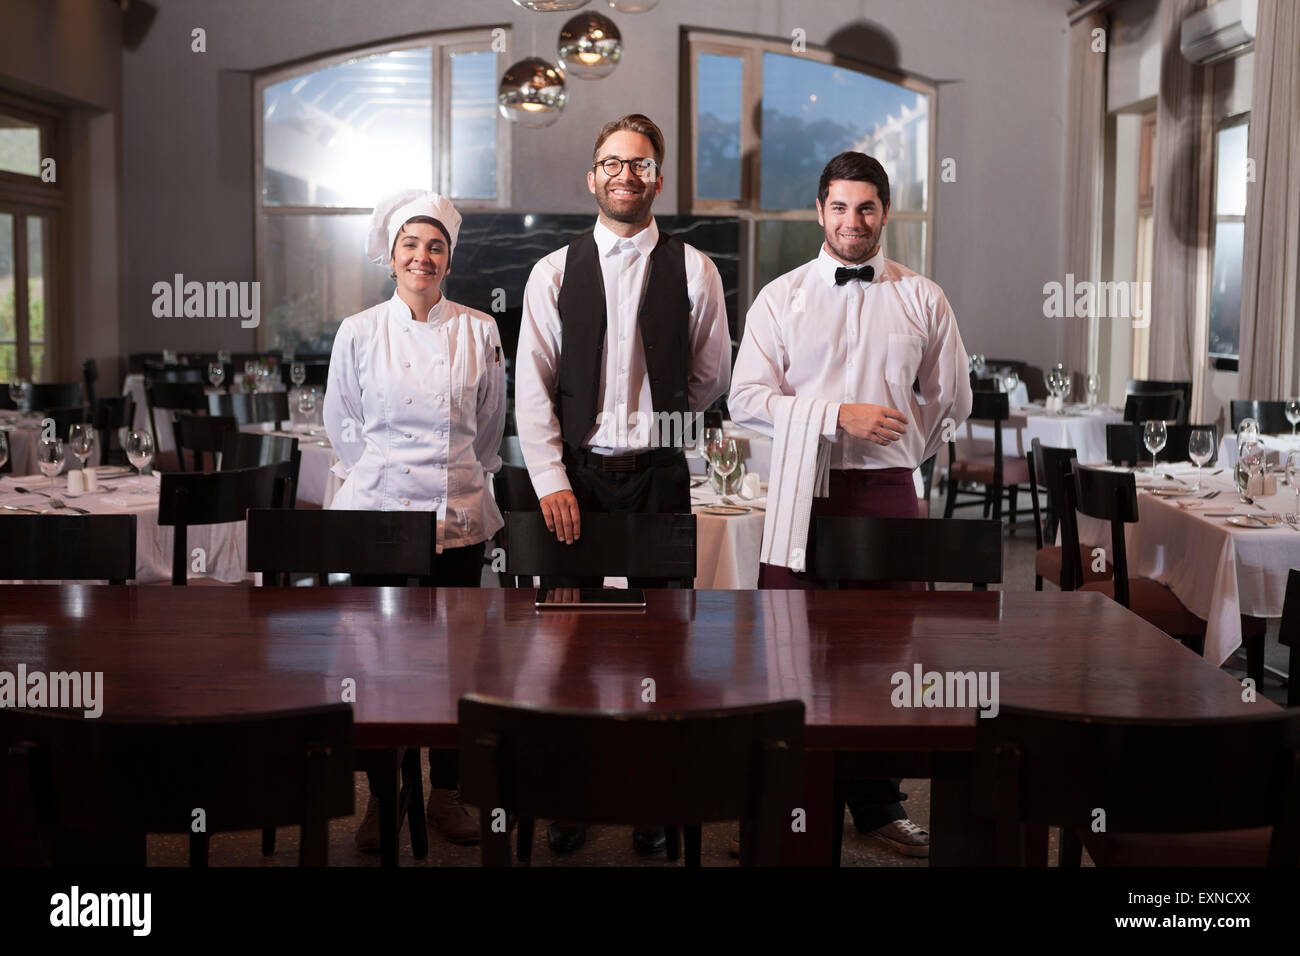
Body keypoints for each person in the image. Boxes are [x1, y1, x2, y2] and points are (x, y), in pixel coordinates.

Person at [728, 151, 972, 858]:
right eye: (839, 207)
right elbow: (745, 399)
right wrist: (840, 416)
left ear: (884, 213)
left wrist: (900, 449)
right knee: (790, 646)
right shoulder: (781, 297)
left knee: (887, 653)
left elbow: (951, 399)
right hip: (801, 493)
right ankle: (788, 805)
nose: (852, 221)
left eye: (866, 208)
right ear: (819, 211)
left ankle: (877, 805)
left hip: (889, 491)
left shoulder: (924, 298)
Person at [514, 114, 731, 856]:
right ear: (592, 177)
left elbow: (711, 377)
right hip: (574, 478)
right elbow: (532, 388)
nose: (625, 176)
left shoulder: (696, 268)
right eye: (612, 164)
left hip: (660, 476)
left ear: (657, 179)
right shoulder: (552, 270)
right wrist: (549, 479)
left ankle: (651, 803)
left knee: (662, 648)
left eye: (639, 165)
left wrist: (660, 434)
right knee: (568, 644)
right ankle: (570, 797)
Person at [324, 189, 506, 851]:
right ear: (392, 255)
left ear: (449, 259)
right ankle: (384, 797)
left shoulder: (480, 329)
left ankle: (446, 792)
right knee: (379, 664)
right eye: (411, 245)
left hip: (458, 516)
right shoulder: (359, 331)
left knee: (458, 663)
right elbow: (340, 423)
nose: (422, 257)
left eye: (435, 246)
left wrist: (460, 476)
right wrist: (380, 473)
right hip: (378, 514)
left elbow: (489, 428)